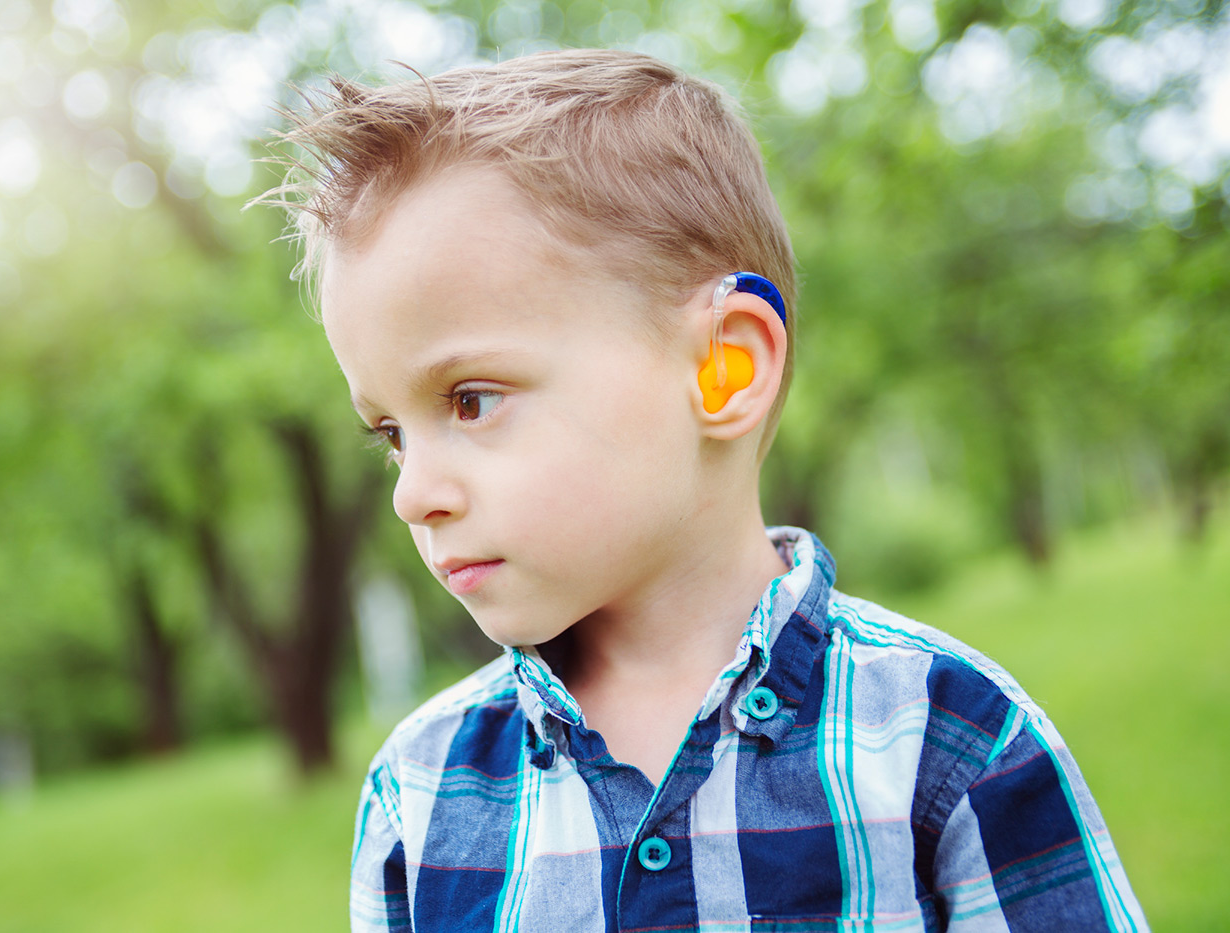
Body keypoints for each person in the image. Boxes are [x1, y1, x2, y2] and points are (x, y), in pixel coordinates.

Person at [257, 49, 1146, 933]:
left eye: (472, 399)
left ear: (724, 368)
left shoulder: (949, 740)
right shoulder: (419, 792)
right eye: (390, 433)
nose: (413, 493)